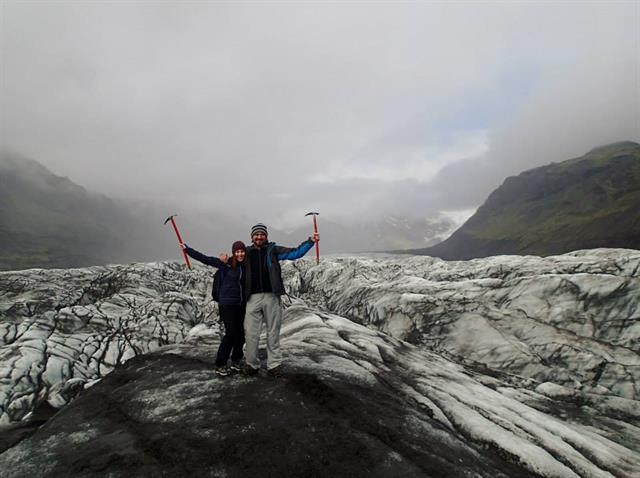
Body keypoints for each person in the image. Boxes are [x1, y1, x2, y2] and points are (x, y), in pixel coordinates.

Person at [243, 223, 319, 377]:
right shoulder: (245, 252)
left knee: (273, 331)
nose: (259, 237)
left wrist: (310, 241)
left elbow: (295, 253)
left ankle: (274, 364)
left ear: (266, 236)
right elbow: (227, 264)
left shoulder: (273, 250)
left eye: (262, 234)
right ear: (252, 237)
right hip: (252, 297)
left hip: (272, 295)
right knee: (251, 333)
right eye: (256, 234)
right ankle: (251, 364)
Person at [180, 240, 247, 376]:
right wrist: (188, 249)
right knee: (231, 333)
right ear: (234, 252)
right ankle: (220, 364)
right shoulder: (225, 264)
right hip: (226, 304)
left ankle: (236, 360)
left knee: (240, 334)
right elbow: (205, 259)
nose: (240, 254)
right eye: (237, 251)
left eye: (242, 251)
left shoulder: (246, 266)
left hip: (240, 304)